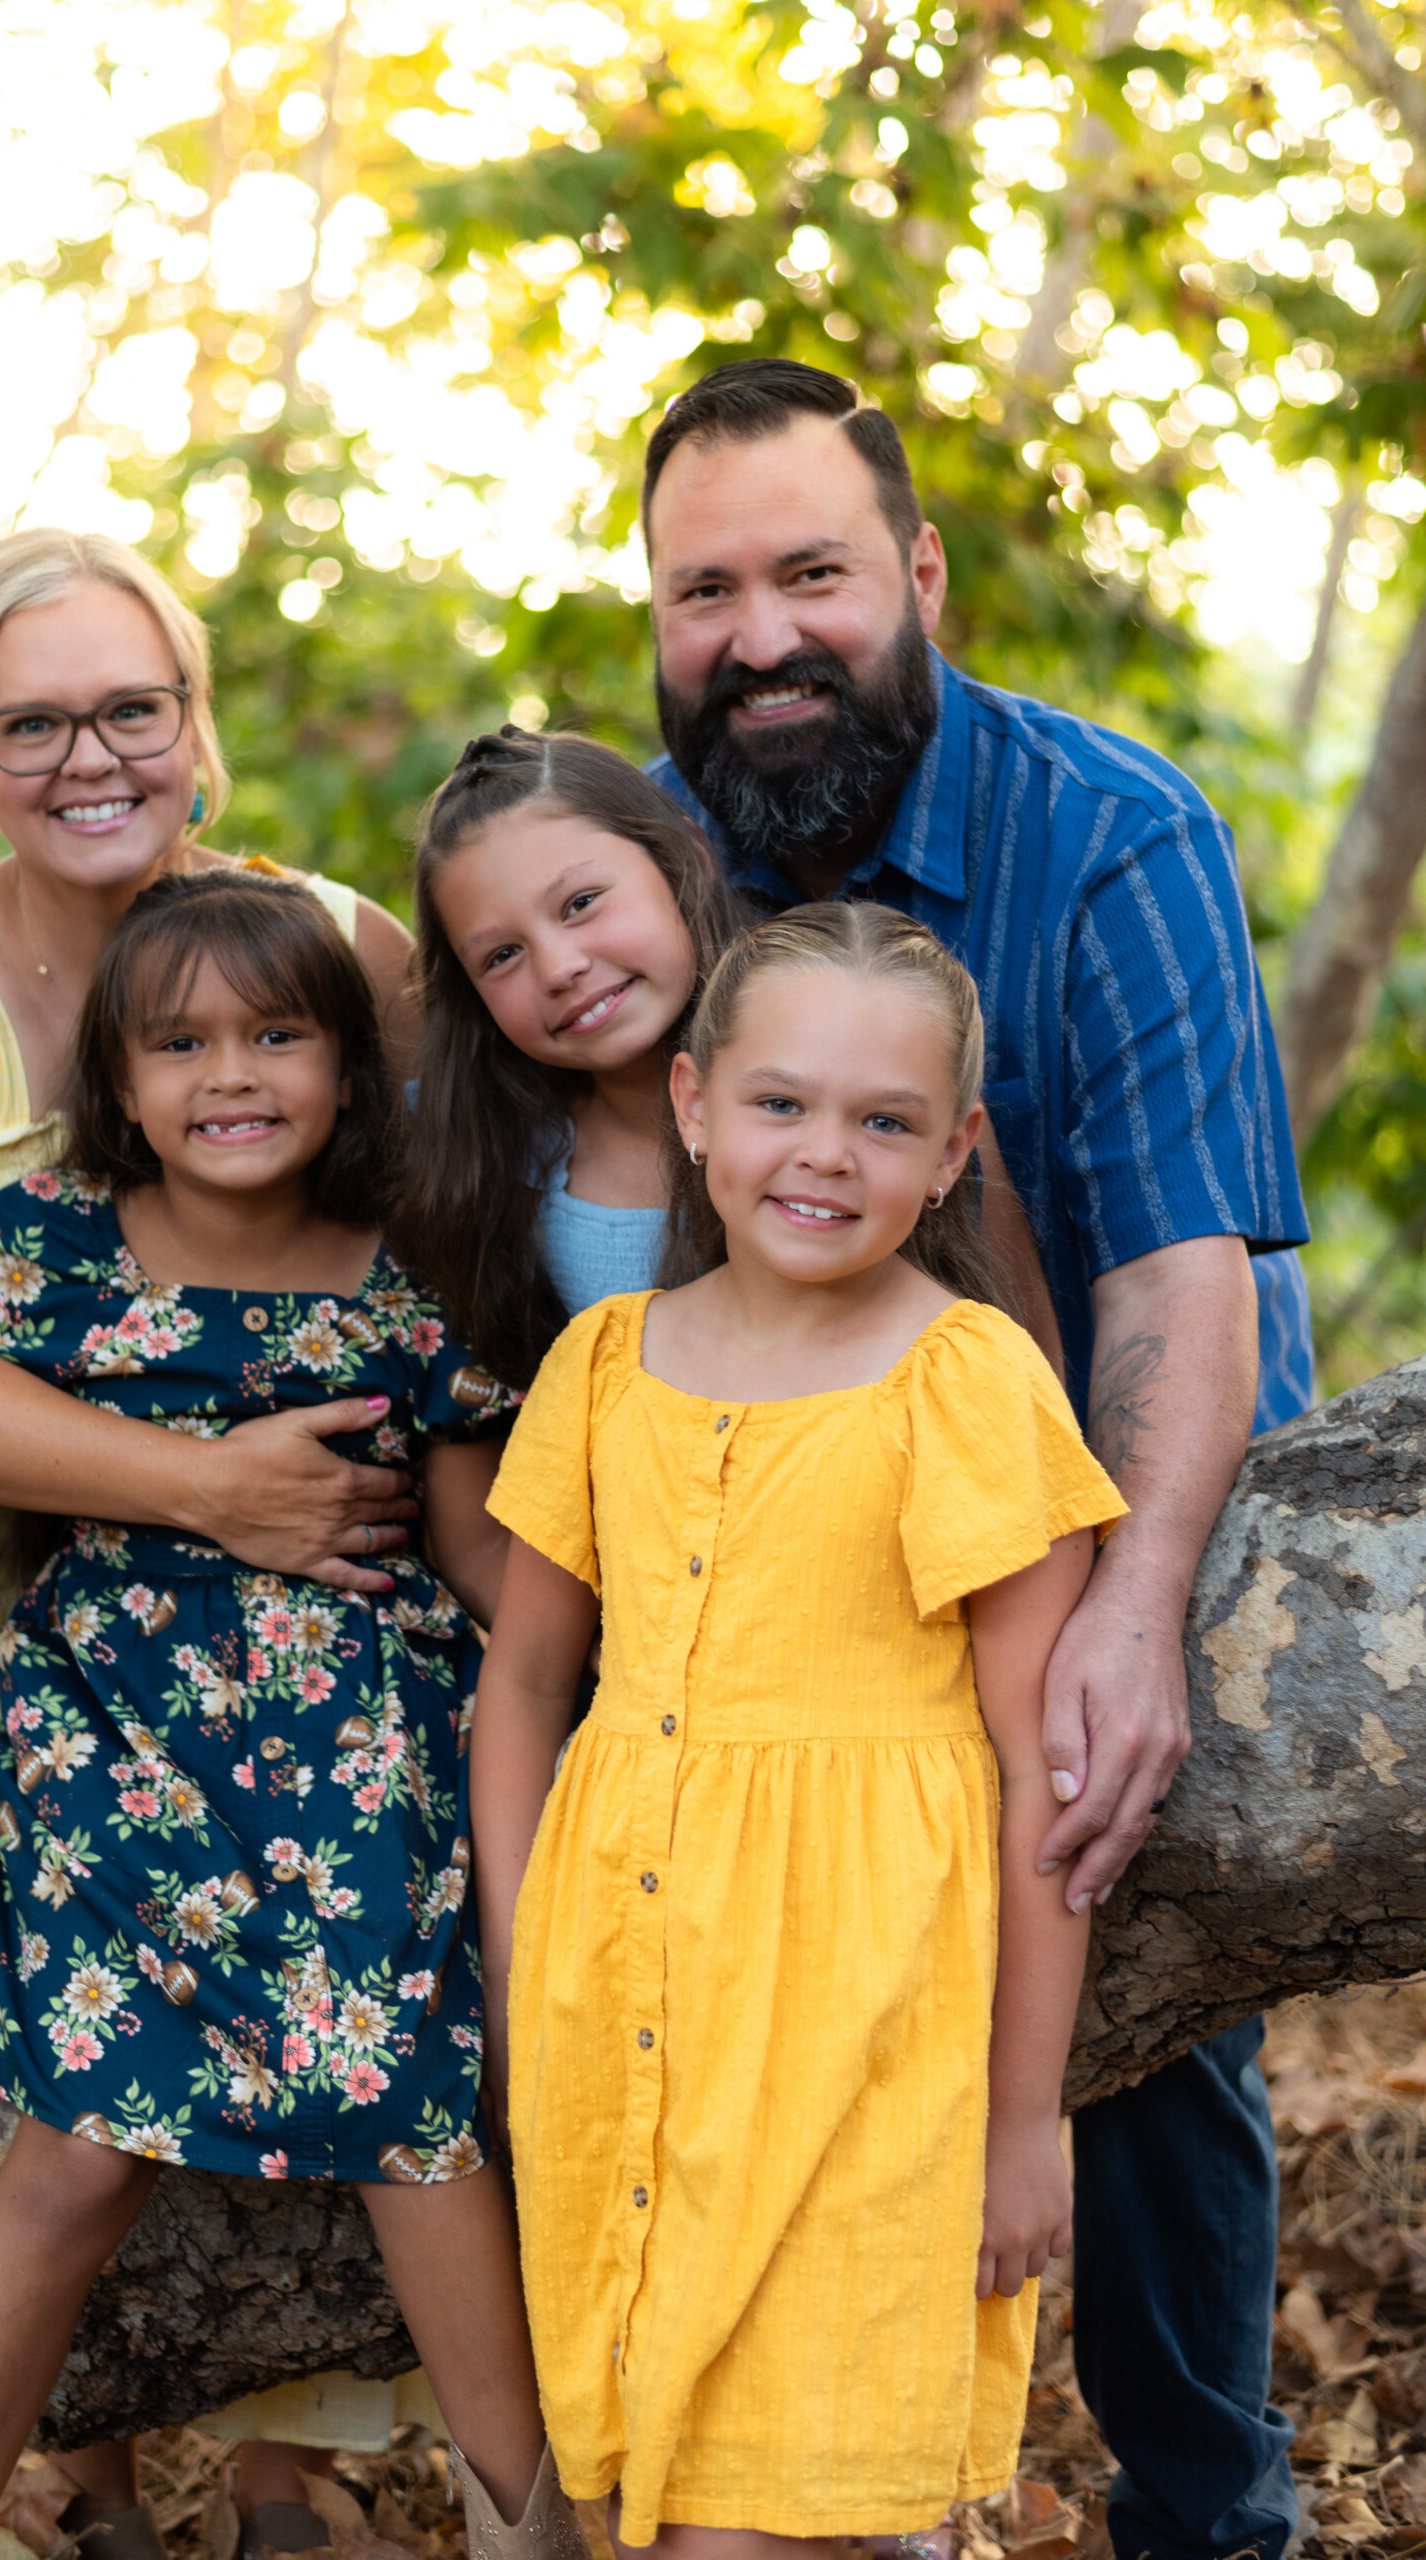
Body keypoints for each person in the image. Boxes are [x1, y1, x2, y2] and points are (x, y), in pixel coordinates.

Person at [638, 357, 1309, 2560]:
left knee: (1126, 1932)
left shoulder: (1101, 826)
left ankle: (1204, 2506)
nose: (756, 636)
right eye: (700, 589)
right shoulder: (648, 854)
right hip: (781, 1468)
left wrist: (1127, 1608)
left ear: (911, 576)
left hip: (1119, 1451)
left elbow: (1176, 1270)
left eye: (808, 573)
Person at [0, 525, 427, 2559]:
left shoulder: (331, 948)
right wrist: (212, 1486)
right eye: (34, 721)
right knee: (75, 2090)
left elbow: (443, 1234)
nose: (89, 753)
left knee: (344, 1969)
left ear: (196, 725)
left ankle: (297, 2462)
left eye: (132, 706)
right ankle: (80, 2464)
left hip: (305, 1613)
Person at [0, 868, 581, 2560]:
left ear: (347, 1066)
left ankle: (530, 2525)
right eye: (178, 1043)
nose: (230, 1074)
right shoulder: (34, 1255)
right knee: (78, 2149)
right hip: (115, 1744)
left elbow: (488, 1564)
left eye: (275, 1034)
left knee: (407, 2116)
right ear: (114, 1085)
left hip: (364, 1748)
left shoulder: (417, 1270)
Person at [472, 902, 1124, 2557]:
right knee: (653, 2495)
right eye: (778, 1103)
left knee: (776, 2512)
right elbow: (526, 1688)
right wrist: (515, 1948)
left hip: (862, 2033)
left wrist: (1020, 2117)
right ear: (690, 1104)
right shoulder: (605, 1365)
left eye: (882, 1120)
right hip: (616, 2012)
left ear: (951, 1151)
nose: (820, 1154)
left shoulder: (962, 1381)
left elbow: (1031, 1778)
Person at [392, 725, 1051, 1379]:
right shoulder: (487, 1157)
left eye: (582, 903)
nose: (559, 967)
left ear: (683, 859)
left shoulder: (883, 1096)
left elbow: (1027, 1376)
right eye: (502, 955)